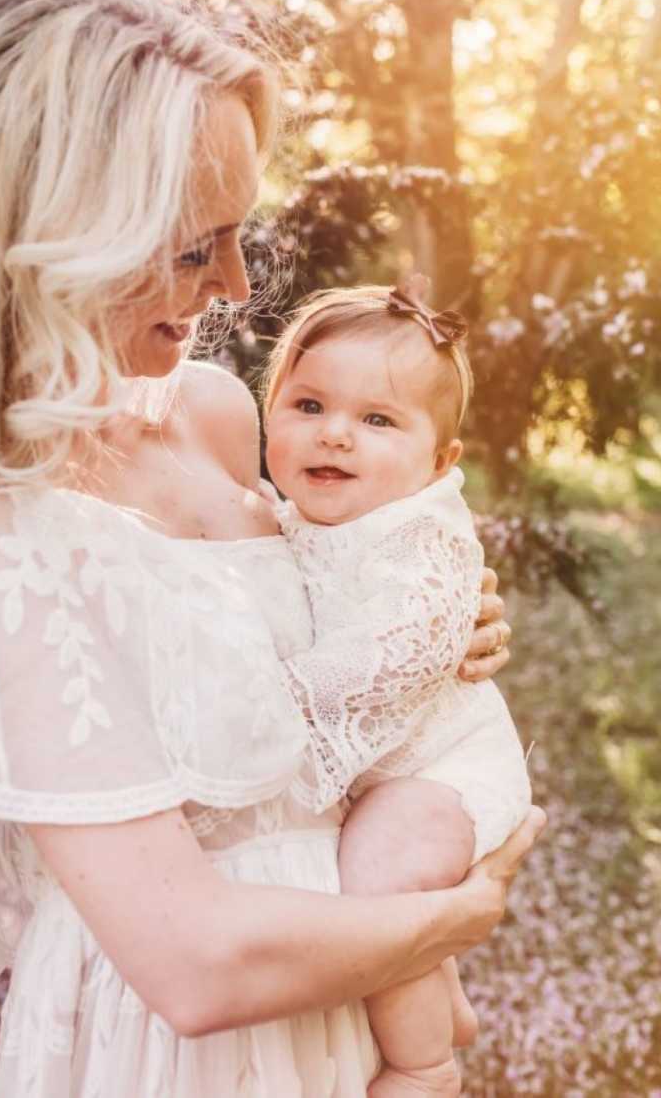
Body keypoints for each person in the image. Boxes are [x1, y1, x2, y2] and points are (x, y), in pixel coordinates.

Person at [0, 0, 544, 1097]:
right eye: (193, 244)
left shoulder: (214, 413)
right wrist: (461, 911)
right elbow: (193, 962)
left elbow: (321, 597)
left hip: (346, 985)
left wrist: (437, 611)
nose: (236, 283)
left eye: (240, 232)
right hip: (179, 1044)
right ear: (59, 232)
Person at [262, 282, 533, 1097]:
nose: (335, 434)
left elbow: (395, 655)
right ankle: (440, 998)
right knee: (379, 858)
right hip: (397, 773)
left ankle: (425, 1065)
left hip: (444, 770)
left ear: (439, 462)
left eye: (378, 420)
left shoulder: (423, 533)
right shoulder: (289, 519)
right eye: (307, 404)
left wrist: (273, 698)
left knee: (378, 872)